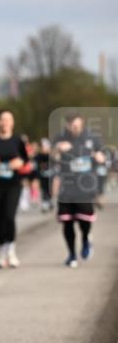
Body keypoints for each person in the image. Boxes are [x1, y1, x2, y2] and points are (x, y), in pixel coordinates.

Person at [52, 113, 105, 268]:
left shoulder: (92, 138)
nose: (74, 128)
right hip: (67, 187)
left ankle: (86, 239)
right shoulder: (60, 138)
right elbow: (51, 156)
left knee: (84, 221)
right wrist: (57, 149)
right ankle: (72, 254)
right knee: (67, 222)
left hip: (85, 187)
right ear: (67, 125)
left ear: (82, 123)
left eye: (77, 125)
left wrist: (94, 155)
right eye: (71, 125)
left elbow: (102, 158)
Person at [0, 109, 28, 269]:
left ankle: (11, 251)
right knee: (0, 218)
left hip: (13, 184)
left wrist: (19, 163)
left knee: (10, 216)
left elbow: (26, 160)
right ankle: (2, 252)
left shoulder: (18, 141)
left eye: (8, 119)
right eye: (2, 119)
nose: (5, 122)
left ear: (12, 123)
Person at [34, 137, 54, 213]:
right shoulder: (38, 156)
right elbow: (36, 167)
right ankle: (45, 203)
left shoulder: (51, 156)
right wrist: (36, 178)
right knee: (44, 189)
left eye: (45, 146)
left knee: (50, 190)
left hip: (51, 175)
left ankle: (50, 201)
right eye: (42, 147)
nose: (43, 148)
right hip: (42, 176)